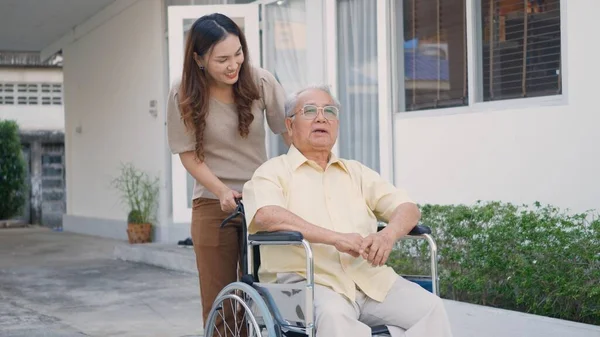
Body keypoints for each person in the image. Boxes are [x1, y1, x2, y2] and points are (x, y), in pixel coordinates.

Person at [242, 85, 454, 337]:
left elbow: (407, 208)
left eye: (329, 111)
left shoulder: (357, 172)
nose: (321, 117)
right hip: (307, 285)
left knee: (430, 308)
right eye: (310, 110)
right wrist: (336, 238)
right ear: (289, 126)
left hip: (369, 280)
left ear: (337, 125)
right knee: (335, 317)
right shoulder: (272, 172)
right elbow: (267, 215)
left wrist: (387, 235)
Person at [166, 13, 290, 334]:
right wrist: (221, 190)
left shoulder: (260, 81)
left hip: (262, 204)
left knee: (267, 295)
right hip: (212, 204)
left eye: (238, 53)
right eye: (222, 59)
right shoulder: (182, 93)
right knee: (222, 302)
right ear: (199, 59)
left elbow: (290, 132)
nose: (233, 64)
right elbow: (189, 155)